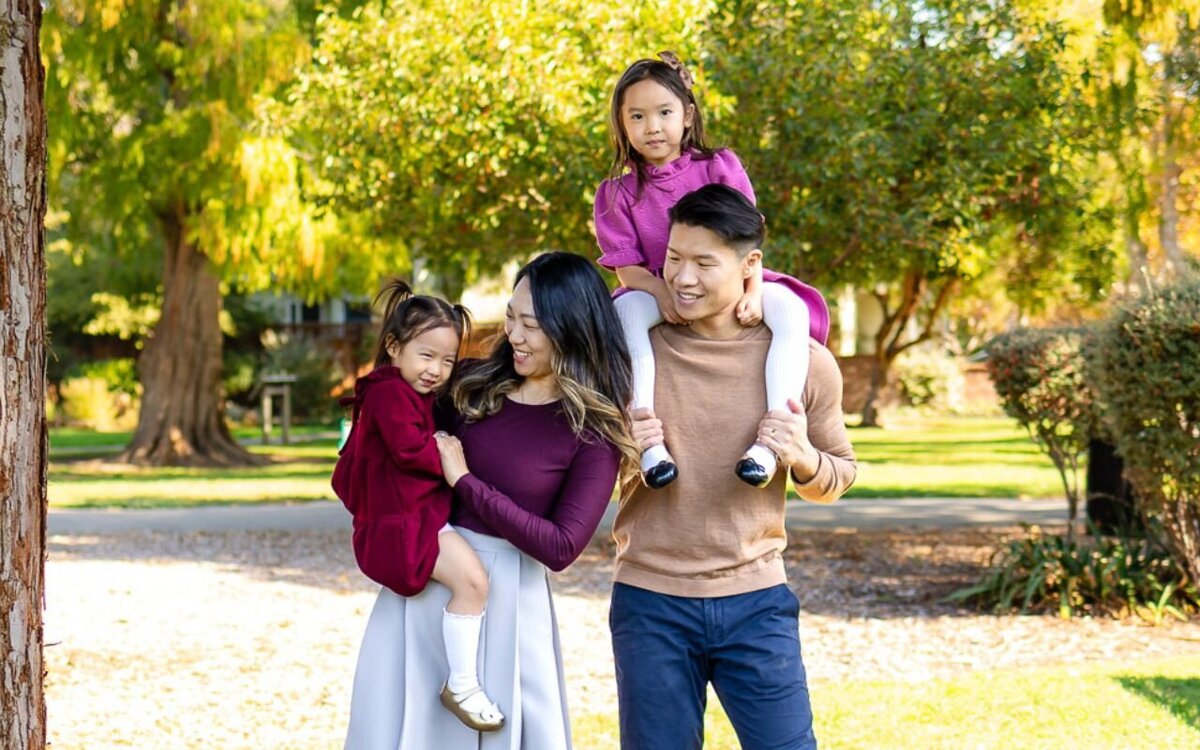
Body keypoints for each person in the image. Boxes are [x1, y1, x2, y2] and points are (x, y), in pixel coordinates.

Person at [344, 252, 640, 750]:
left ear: (572, 328)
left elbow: (562, 546)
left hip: (508, 603)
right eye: (510, 316)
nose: (514, 335)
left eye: (532, 324)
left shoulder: (592, 432)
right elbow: (390, 424)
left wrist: (465, 482)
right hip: (425, 579)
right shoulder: (472, 385)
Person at [610, 184, 858, 750]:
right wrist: (622, 446)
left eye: (703, 262)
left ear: (751, 267)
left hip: (757, 603)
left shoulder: (805, 363)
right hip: (650, 604)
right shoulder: (628, 356)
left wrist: (802, 458)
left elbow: (839, 473)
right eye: (673, 258)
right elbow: (582, 474)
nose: (683, 278)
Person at [594, 51, 830, 490]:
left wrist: (754, 289)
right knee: (626, 315)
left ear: (686, 115)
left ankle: (772, 442)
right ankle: (648, 441)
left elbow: (747, 237)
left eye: (664, 113)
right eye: (637, 116)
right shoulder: (617, 193)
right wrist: (663, 296)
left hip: (731, 282)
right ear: (622, 124)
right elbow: (628, 270)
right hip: (654, 288)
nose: (652, 127)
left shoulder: (719, 166)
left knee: (790, 312)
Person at [331, 280, 505, 732]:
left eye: (447, 360)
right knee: (473, 583)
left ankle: (461, 682)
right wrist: (451, 460)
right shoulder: (389, 393)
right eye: (426, 356)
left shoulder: (406, 392)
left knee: (472, 583)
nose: (436, 370)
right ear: (393, 346)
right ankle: (462, 684)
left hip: (418, 515)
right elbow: (409, 449)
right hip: (409, 521)